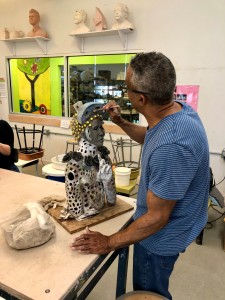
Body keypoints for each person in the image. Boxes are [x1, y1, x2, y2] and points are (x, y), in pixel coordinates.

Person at [70, 52, 210, 299]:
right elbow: (151, 136)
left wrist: (109, 242)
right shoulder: (178, 111)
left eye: (127, 89)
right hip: (168, 223)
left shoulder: (172, 147)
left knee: (148, 291)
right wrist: (121, 122)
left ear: (141, 99)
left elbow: (157, 218)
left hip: (159, 238)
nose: (126, 93)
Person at [60, 101, 116, 220]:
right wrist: (81, 184)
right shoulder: (74, 166)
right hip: (87, 222)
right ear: (82, 133)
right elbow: (76, 212)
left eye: (101, 126)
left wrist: (107, 184)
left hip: (101, 217)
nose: (102, 132)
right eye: (96, 128)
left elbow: (112, 202)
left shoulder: (104, 159)